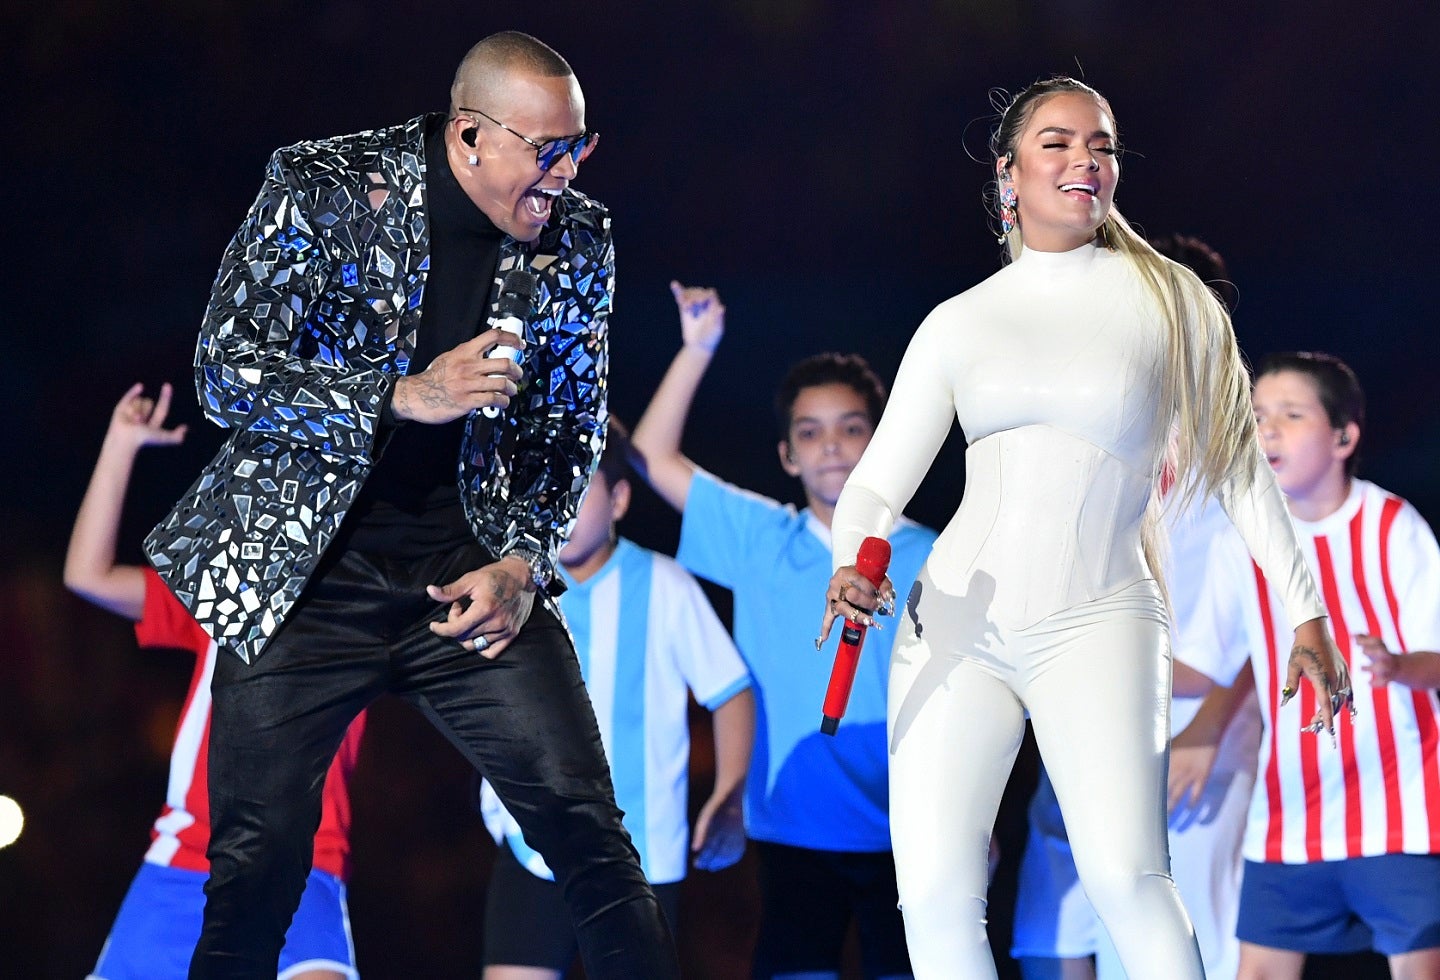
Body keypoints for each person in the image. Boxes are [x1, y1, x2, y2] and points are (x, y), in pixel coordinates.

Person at [142, 31, 679, 979]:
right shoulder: (328, 185)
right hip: (306, 576)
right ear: (471, 136)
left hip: (466, 571)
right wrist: (403, 392)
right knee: (256, 870)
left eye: (580, 147)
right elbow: (226, 374)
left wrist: (521, 562)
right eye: (546, 150)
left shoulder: (578, 234)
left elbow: (567, 427)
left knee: (588, 832)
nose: (564, 175)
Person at [819, 76, 1350, 979]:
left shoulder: (1173, 300)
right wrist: (849, 561)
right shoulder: (959, 322)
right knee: (938, 896)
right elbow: (874, 489)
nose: (1085, 160)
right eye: (1058, 142)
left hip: (1100, 619)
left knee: (1131, 878)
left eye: (1101, 145)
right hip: (952, 625)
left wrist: (1307, 614)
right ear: (1008, 175)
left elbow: (1241, 473)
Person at [632, 283, 934, 979]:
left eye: (852, 427)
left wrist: (973, 822)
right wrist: (697, 347)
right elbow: (649, 454)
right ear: (787, 455)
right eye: (810, 431)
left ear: (882, 442)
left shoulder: (932, 553)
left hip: (912, 834)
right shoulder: (762, 538)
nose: (831, 445)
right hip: (792, 833)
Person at [1009, 235, 1258, 980]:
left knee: (1177, 945)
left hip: (1199, 749)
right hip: (1082, 725)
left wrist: (1211, 729)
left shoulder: (1242, 458)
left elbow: (1278, 629)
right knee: (1053, 930)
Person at [65, 383, 365, 980]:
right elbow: (87, 575)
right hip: (185, 865)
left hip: (303, 873)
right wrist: (121, 443)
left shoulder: (365, 604)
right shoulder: (224, 594)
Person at [1185, 352, 1440, 979]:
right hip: (1288, 812)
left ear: (1344, 436)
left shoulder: (1392, 524)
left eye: (1291, 415)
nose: (1266, 430)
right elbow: (1202, 665)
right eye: (1257, 416)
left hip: (1398, 804)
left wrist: (1396, 664)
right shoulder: (1236, 539)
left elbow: (1435, 658)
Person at [478, 419, 756, 979]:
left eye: (576, 491)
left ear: (620, 498)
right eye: (543, 490)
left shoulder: (666, 584)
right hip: (532, 842)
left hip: (642, 857)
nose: (558, 508)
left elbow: (732, 690)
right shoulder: (513, 589)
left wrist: (730, 793)